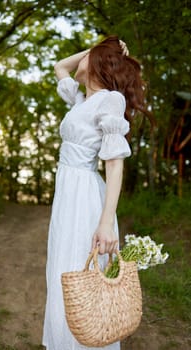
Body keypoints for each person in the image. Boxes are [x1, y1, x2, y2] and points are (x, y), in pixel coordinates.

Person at [43, 35, 148, 350]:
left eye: (90, 55)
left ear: (99, 64)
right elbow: (60, 66)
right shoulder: (82, 101)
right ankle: (65, 339)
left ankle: (87, 340)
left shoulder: (110, 100)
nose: (82, 61)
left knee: (81, 271)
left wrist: (106, 222)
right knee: (63, 273)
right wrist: (93, 49)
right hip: (67, 195)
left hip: (84, 196)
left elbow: (115, 165)